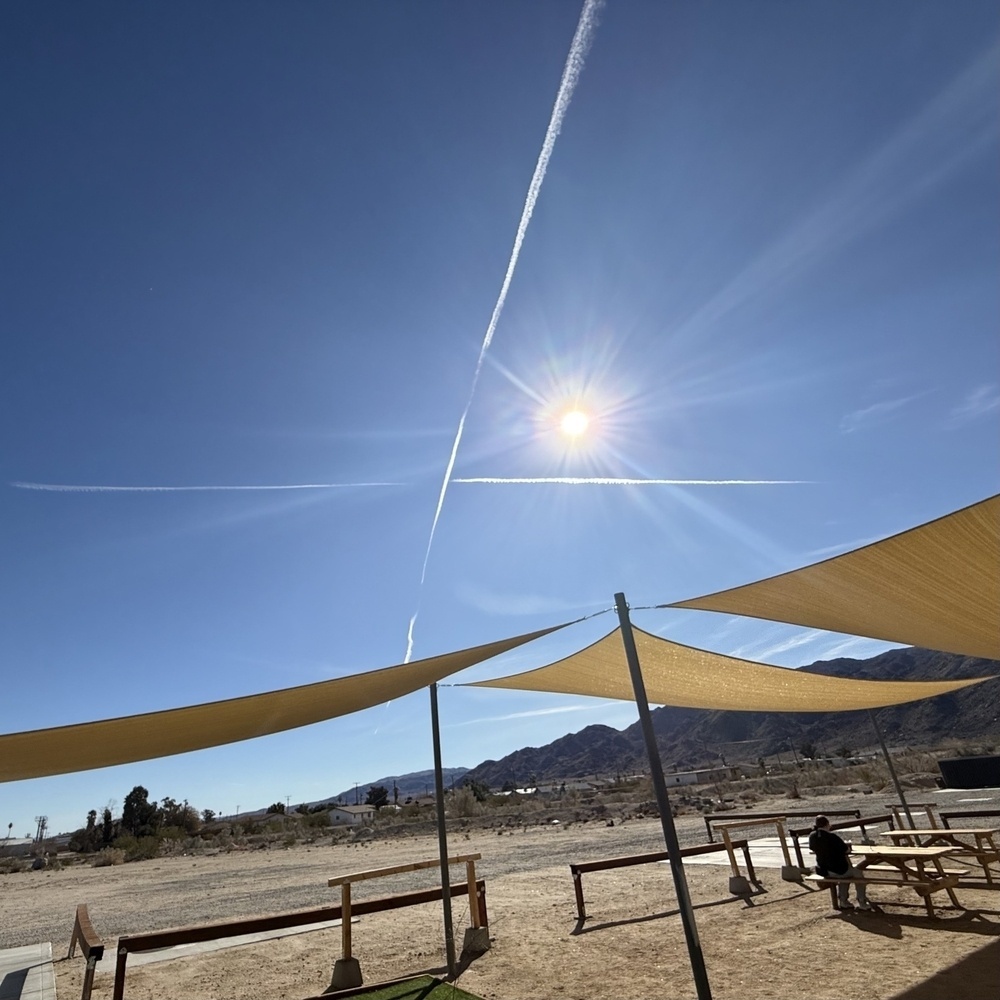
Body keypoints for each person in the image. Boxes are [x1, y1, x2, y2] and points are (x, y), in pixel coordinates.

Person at [808, 814, 871, 910]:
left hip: (823, 870)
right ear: (827, 824)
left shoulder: (812, 836)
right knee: (856, 873)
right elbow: (846, 850)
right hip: (837, 870)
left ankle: (843, 900)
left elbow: (812, 848)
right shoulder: (832, 837)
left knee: (845, 874)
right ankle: (862, 901)